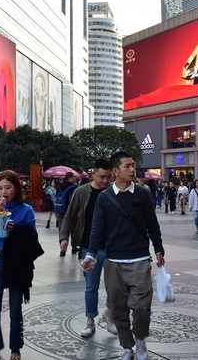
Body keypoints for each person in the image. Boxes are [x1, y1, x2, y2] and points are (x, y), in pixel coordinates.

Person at [81, 152, 164, 360]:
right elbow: (97, 229)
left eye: (133, 165)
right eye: (127, 166)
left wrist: (159, 248)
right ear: (115, 171)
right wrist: (91, 253)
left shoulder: (143, 194)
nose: (132, 169)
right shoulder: (105, 198)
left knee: (142, 307)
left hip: (139, 259)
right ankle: (127, 348)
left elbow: (152, 224)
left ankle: (140, 340)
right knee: (118, 309)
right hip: (113, 262)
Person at [59, 159, 117, 338]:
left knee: (114, 287)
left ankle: (110, 316)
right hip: (88, 248)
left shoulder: (114, 192)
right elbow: (69, 215)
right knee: (91, 287)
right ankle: (90, 321)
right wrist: (64, 237)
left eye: (109, 177)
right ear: (93, 174)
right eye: (102, 177)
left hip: (112, 248)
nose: (106, 181)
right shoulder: (82, 192)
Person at [0, 170, 40, 360]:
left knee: (15, 308)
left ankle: (15, 349)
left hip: (17, 261)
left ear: (16, 187)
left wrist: (15, 228)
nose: (3, 192)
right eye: (0, 188)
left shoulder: (26, 210)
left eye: (7, 187)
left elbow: (32, 239)